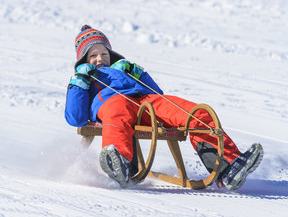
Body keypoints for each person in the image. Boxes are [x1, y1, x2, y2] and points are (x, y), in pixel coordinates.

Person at [65, 25, 264, 190]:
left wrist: (137, 72)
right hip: (113, 107)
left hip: (145, 104)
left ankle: (228, 167)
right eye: (93, 55)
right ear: (84, 60)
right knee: (118, 107)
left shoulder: (121, 70)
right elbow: (76, 118)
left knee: (193, 112)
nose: (100, 58)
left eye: (104, 53)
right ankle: (120, 165)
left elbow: (157, 93)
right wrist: (79, 81)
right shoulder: (85, 78)